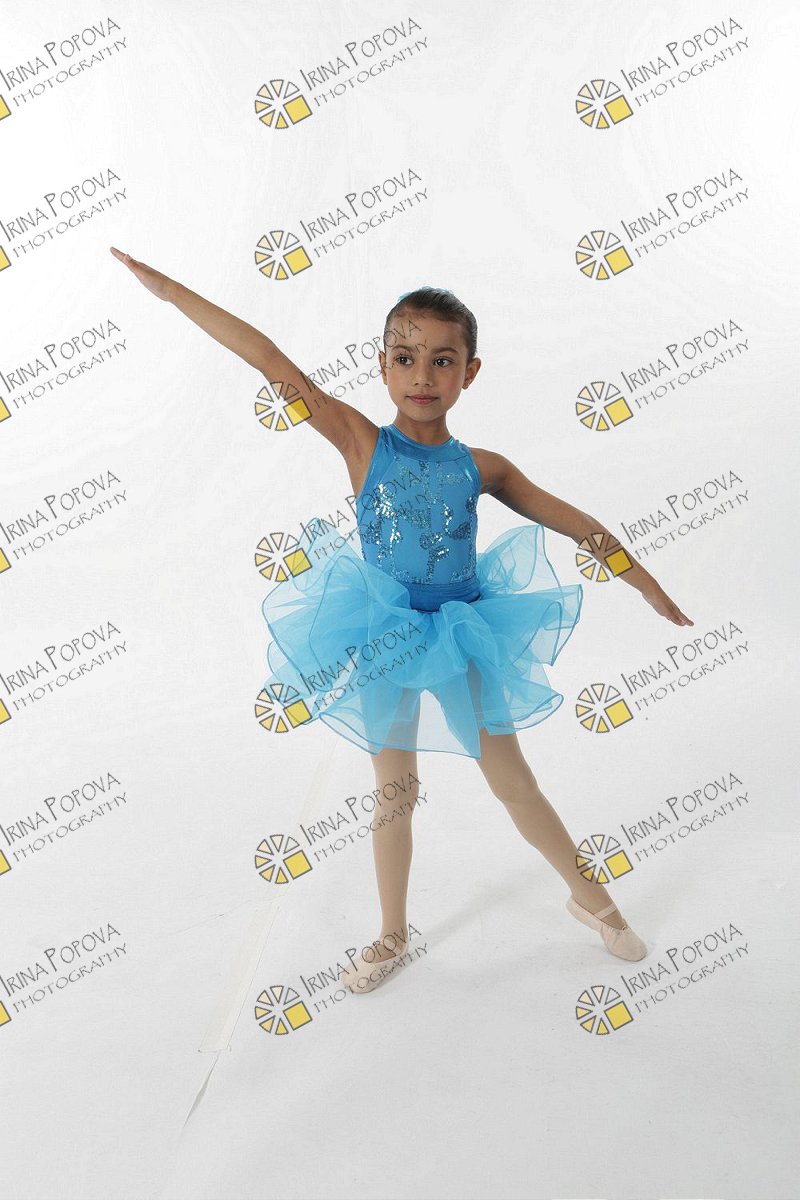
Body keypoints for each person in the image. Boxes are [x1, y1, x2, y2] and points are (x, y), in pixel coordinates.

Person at [110, 249, 694, 993]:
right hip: (382, 632)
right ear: (381, 365)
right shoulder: (362, 442)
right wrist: (168, 289)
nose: (423, 376)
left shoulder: (484, 467)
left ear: (469, 372)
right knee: (395, 792)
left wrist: (644, 583)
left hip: (461, 633)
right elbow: (269, 358)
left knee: (513, 781)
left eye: (442, 360)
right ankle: (391, 933)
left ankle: (594, 900)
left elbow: (577, 523)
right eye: (406, 358)